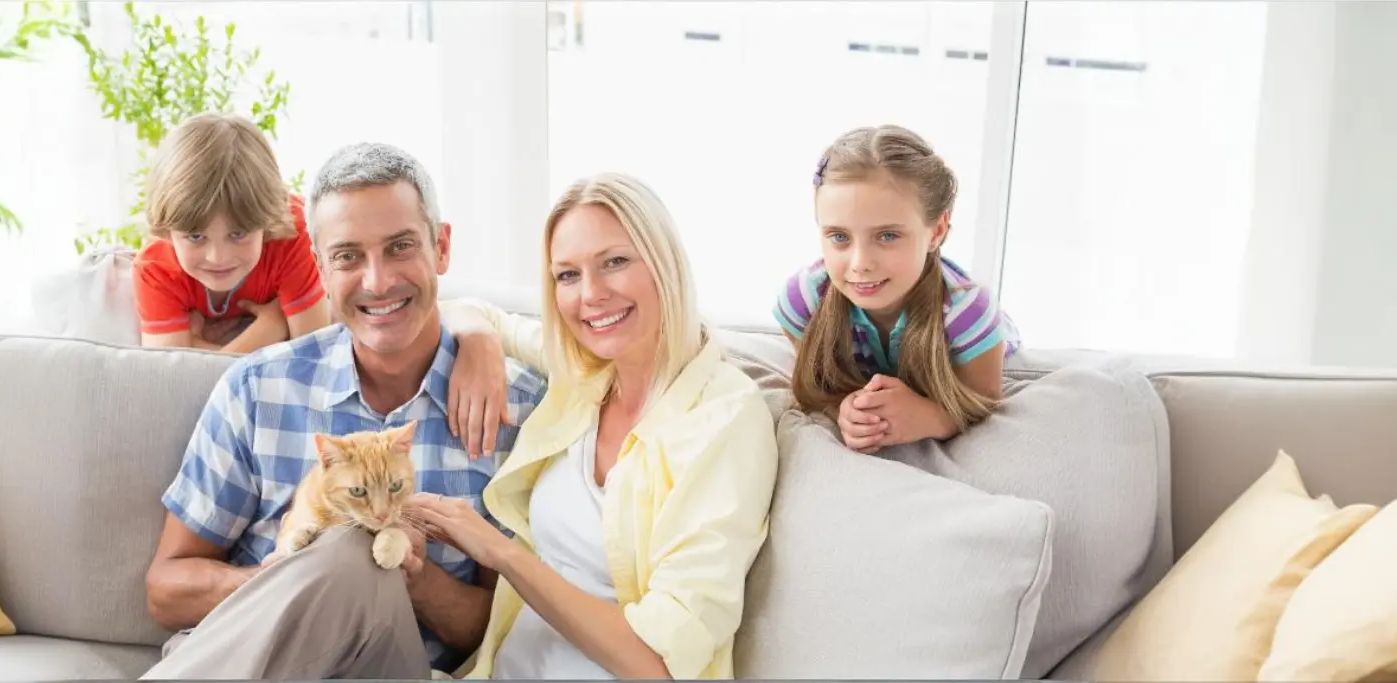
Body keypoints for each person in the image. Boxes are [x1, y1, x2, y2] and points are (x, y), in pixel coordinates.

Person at [140, 142, 548, 680]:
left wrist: (412, 578)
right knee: (343, 556)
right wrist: (294, 584)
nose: (377, 281)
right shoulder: (258, 389)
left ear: (441, 247)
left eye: (400, 247)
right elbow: (165, 591)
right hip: (247, 656)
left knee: (355, 556)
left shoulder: (517, 413)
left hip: (392, 667)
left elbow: (497, 629)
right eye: (348, 256)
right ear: (319, 265)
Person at [417, 172, 780, 679]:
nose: (591, 294)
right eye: (567, 275)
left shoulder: (725, 419)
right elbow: (465, 307)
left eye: (614, 262)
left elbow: (660, 663)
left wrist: (501, 554)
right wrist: (478, 340)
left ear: (663, 263)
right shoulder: (585, 373)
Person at [773, 124, 1023, 453]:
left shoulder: (968, 311)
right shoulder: (804, 301)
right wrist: (844, 409)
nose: (860, 263)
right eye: (839, 237)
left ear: (936, 231)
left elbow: (983, 400)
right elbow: (820, 388)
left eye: (888, 236)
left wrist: (934, 416)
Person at [134, 112, 334, 353]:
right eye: (196, 237)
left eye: (238, 234)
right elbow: (175, 380)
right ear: (167, 232)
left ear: (266, 222)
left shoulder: (292, 232)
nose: (218, 257)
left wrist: (200, 345)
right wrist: (272, 327)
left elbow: (315, 357)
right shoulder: (156, 268)